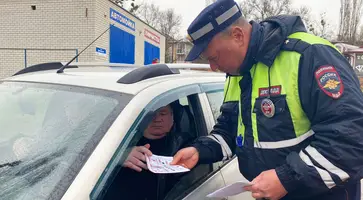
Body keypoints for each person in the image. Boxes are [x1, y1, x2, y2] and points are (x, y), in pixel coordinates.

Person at [171, 0, 363, 200]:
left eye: (213, 58)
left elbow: (353, 139)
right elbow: (230, 131)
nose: (212, 67)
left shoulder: (308, 56)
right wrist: (199, 151)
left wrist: (286, 179)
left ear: (238, 35)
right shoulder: (238, 73)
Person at [104, 102, 195, 200]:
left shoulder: (186, 145)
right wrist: (117, 157)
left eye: (163, 114)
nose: (157, 119)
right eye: (151, 114)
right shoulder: (117, 144)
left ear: (173, 117)